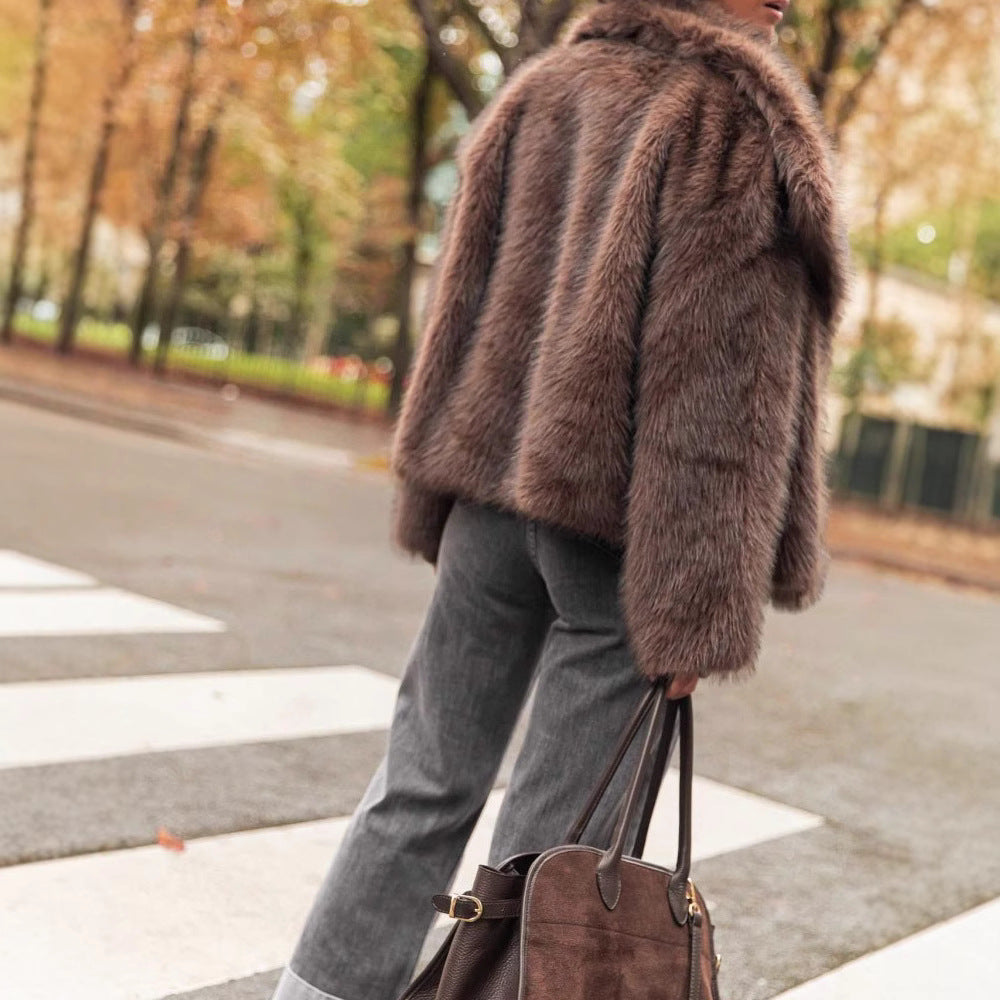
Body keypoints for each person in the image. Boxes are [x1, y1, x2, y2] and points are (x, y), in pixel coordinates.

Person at [272, 0, 851, 997]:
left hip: (489, 503)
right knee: (556, 857)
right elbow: (719, 397)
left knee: (419, 785)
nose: (783, 5)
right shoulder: (729, 127)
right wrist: (693, 616)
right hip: (621, 543)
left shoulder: (541, 90)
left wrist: (438, 489)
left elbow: (459, 308)